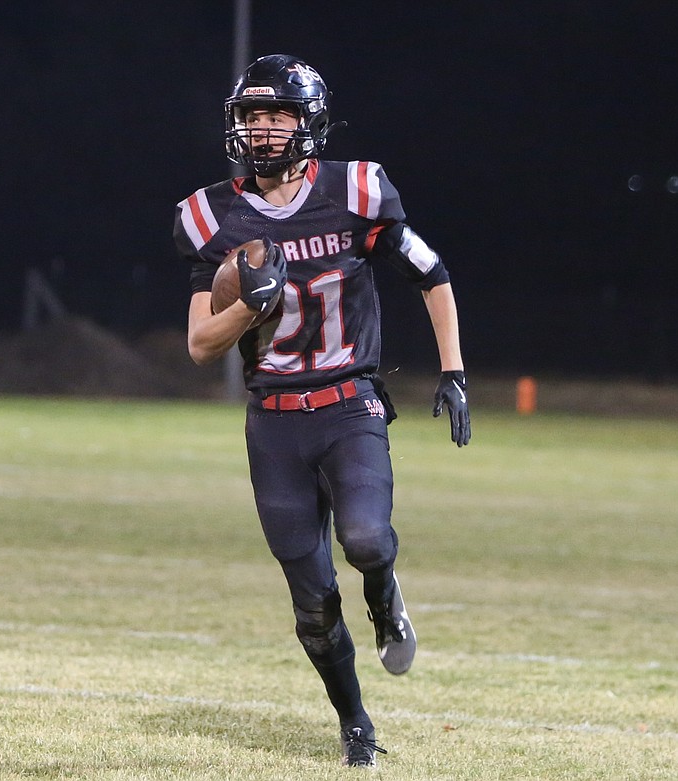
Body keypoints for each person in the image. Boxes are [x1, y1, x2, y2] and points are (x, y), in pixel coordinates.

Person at [174, 55, 471, 768]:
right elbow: (198, 344)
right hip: (273, 418)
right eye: (251, 116)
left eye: (276, 116)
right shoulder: (212, 214)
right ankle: (355, 723)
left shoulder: (357, 192)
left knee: (367, 539)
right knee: (311, 598)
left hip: (349, 402)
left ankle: (385, 593)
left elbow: (430, 272)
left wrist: (454, 370)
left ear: (309, 124)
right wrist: (250, 302)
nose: (262, 129)